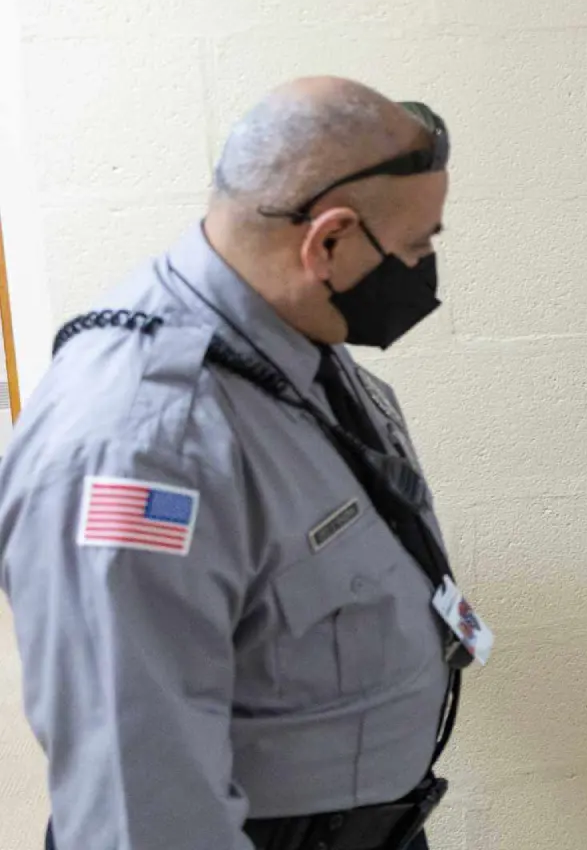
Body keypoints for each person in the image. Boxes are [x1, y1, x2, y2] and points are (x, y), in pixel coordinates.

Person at [0, 77, 491, 850]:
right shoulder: (140, 441)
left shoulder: (290, 339)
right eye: (416, 246)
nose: (425, 268)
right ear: (326, 242)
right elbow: (139, 806)